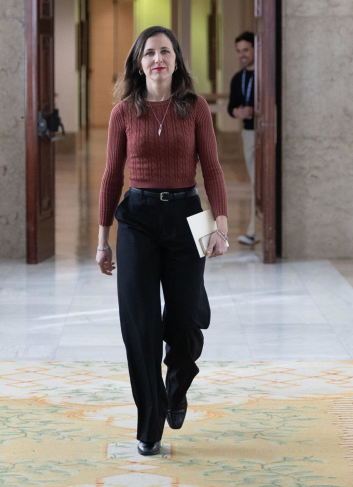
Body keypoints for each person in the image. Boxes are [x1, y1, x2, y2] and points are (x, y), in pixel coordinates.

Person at [96, 26, 229, 456]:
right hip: (137, 219)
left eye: (165, 51)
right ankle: (149, 425)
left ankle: (178, 381)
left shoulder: (195, 107)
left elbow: (212, 168)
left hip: (189, 215)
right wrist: (102, 240)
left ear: (176, 60)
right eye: (150, 52)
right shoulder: (123, 113)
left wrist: (221, 226)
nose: (158, 59)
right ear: (139, 63)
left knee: (186, 318)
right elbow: (111, 177)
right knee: (140, 325)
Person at [228, 31, 259, 246]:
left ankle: (254, 230)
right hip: (248, 133)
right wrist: (237, 112)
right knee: (255, 181)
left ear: (256, 49)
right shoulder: (238, 78)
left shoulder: (265, 76)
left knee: (261, 182)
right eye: (239, 51)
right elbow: (231, 106)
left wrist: (254, 111)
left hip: (266, 132)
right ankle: (254, 230)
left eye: (246, 50)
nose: (242, 55)